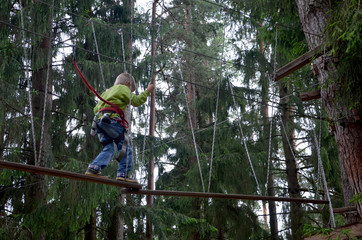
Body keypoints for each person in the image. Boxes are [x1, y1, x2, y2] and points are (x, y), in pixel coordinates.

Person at [85, 72, 154, 183]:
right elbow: (136, 101)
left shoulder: (106, 92)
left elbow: (95, 109)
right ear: (127, 84)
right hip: (111, 120)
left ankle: (94, 168)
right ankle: (123, 174)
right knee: (124, 146)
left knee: (109, 148)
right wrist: (147, 91)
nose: (130, 93)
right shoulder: (123, 88)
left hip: (99, 122)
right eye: (131, 90)